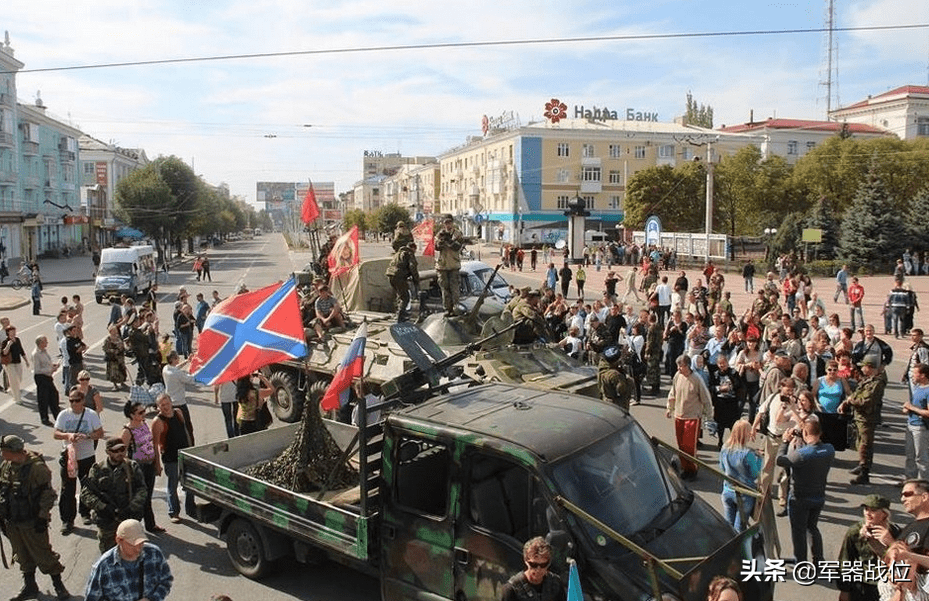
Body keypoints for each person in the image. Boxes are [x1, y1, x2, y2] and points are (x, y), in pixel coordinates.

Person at [0, 435, 71, 601]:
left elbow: (48, 494)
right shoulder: (6, 466)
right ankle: (30, 586)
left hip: (32, 521)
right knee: (22, 555)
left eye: (4, 451)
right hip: (12, 521)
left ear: (13, 451)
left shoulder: (36, 468)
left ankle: (59, 586)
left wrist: (42, 517)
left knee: (43, 554)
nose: (2, 454)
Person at [776, 419, 834, 564]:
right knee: (812, 528)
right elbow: (815, 444)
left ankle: (800, 561)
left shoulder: (802, 454)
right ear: (820, 432)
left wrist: (785, 441)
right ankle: (818, 559)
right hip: (818, 497)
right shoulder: (829, 449)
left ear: (805, 432)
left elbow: (780, 460)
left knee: (799, 531)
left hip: (799, 498)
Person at [81, 437, 147, 553]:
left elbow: (142, 490)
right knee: (108, 554)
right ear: (108, 452)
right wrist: (103, 507)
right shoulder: (98, 469)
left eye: (122, 449)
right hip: (107, 520)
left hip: (128, 518)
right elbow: (86, 494)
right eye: (116, 451)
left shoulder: (132, 467)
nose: (120, 453)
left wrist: (131, 508)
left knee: (131, 553)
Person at [84, 518, 173, 601]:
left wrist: (152, 599)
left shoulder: (154, 554)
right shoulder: (103, 566)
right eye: (132, 544)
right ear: (118, 540)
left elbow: (166, 580)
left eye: (141, 543)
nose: (138, 548)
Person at [54, 387, 104, 534]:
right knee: (67, 489)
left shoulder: (91, 415)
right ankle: (67, 520)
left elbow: (100, 433)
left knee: (87, 486)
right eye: (71, 400)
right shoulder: (64, 415)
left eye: (77, 400)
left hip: (86, 456)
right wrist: (68, 436)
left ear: (83, 401)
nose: (74, 403)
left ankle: (85, 513)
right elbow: (56, 434)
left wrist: (86, 436)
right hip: (69, 456)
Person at [837, 494, 901, 601]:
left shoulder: (895, 532)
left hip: (886, 585)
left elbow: (904, 560)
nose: (868, 513)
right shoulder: (855, 531)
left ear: (884, 514)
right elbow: (845, 561)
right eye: (866, 509)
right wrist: (844, 590)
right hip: (861, 585)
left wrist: (890, 542)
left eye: (873, 510)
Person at [666, 354, 713, 480]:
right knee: (681, 446)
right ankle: (685, 468)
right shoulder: (677, 376)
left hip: (692, 417)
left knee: (689, 446)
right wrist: (669, 408)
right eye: (678, 366)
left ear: (687, 366)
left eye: (680, 366)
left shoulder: (697, 379)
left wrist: (709, 417)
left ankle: (692, 470)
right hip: (679, 415)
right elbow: (673, 392)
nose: (678, 369)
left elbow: (706, 399)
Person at [839, 357, 886, 485]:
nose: (862, 369)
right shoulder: (868, 380)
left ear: (870, 367)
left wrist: (850, 401)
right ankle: (862, 465)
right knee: (861, 443)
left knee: (865, 445)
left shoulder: (877, 383)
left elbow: (866, 401)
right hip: (861, 417)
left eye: (864, 367)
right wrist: (848, 401)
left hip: (867, 418)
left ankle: (864, 473)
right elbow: (857, 393)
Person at [150, 393, 196, 523]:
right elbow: (155, 444)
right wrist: (157, 465)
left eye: (167, 404)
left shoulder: (178, 412)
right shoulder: (158, 421)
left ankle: (191, 508)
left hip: (185, 455)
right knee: (173, 485)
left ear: (171, 402)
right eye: (162, 405)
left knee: (190, 484)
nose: (165, 407)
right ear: (158, 407)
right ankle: (174, 512)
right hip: (170, 458)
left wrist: (191, 449)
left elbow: (186, 431)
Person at [121, 400, 164, 534]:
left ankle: (150, 525)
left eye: (144, 411)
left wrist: (157, 463)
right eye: (140, 412)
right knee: (140, 498)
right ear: (132, 415)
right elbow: (121, 453)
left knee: (147, 496)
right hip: (138, 468)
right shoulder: (127, 431)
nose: (144, 414)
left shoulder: (144, 424)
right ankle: (135, 528)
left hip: (149, 465)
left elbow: (153, 444)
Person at [718, 420, 761, 531]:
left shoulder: (724, 448)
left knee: (728, 526)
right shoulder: (748, 454)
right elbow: (755, 474)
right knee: (739, 528)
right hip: (744, 493)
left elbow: (722, 467)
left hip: (728, 489)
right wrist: (759, 458)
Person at [500, 536, 565, 601]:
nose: (538, 569)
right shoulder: (512, 589)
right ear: (526, 561)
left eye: (543, 565)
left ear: (549, 563)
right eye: (533, 565)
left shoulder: (556, 584)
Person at [434, 215, 465, 315]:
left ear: (452, 223)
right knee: (445, 289)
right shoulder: (440, 234)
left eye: (449, 223)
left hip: (453, 265)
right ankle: (447, 309)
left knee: (454, 288)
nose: (448, 225)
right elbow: (437, 247)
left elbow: (457, 246)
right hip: (442, 265)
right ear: (444, 224)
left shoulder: (457, 233)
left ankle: (456, 308)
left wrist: (449, 241)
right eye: (446, 223)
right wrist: (441, 241)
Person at [905, 364, 929, 482]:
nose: (913, 376)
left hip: (920, 427)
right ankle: (910, 480)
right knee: (910, 456)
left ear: (923, 375)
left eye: (915, 373)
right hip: (911, 424)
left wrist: (912, 408)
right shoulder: (919, 387)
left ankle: (923, 483)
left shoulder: (928, 390)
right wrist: (908, 408)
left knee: (921, 457)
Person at [162, 350, 197, 430]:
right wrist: (196, 370)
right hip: (180, 403)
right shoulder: (177, 374)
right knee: (188, 426)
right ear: (173, 359)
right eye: (177, 358)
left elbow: (176, 367)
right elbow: (191, 379)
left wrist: (187, 361)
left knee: (175, 426)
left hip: (171, 402)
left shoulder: (165, 369)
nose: (178, 359)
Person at [386, 241, 419, 322]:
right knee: (405, 297)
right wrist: (416, 279)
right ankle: (400, 317)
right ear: (413, 248)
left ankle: (399, 312)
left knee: (399, 295)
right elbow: (412, 267)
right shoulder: (409, 253)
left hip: (390, 275)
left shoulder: (398, 253)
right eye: (415, 250)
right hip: (399, 276)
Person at [32, 335, 60, 426]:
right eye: (45, 342)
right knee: (43, 398)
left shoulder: (44, 352)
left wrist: (53, 366)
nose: (47, 343)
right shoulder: (36, 354)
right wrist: (50, 370)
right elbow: (37, 370)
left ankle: (57, 416)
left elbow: (46, 363)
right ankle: (44, 418)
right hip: (41, 377)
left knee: (54, 395)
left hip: (48, 376)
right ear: (40, 343)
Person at [598, 346, 633, 411]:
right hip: (616, 404)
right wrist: (629, 381)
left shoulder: (603, 366)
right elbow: (622, 390)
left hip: (605, 399)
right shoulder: (615, 375)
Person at [2, 325, 29, 405]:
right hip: (10, 364)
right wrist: (8, 344)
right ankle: (17, 398)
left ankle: (12, 390)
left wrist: (26, 360)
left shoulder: (17, 340)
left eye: (14, 331)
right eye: (12, 331)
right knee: (14, 381)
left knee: (19, 379)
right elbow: (4, 353)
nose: (14, 332)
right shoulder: (5, 342)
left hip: (18, 362)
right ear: (8, 332)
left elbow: (21, 350)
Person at [103, 325, 129, 391]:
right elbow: (105, 348)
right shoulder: (108, 339)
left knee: (121, 369)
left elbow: (122, 345)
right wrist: (114, 351)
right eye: (114, 330)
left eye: (116, 330)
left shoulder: (118, 337)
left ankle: (122, 382)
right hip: (113, 359)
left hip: (120, 358)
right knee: (113, 372)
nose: (115, 331)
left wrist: (123, 348)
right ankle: (115, 385)